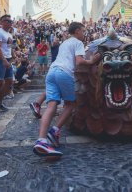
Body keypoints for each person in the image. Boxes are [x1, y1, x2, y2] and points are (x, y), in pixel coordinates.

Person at [33, 22, 100, 157]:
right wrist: (92, 61)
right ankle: (55, 130)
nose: (84, 33)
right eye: (83, 31)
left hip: (52, 72)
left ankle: (41, 140)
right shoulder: (78, 43)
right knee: (70, 104)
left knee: (52, 105)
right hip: (64, 73)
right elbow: (80, 61)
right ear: (76, 31)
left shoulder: (65, 42)